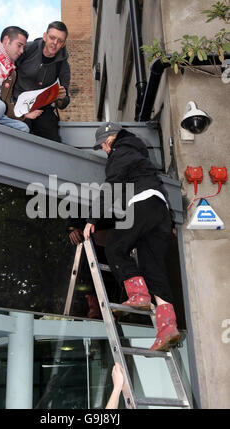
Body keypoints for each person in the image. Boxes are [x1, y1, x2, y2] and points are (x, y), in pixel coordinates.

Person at [83, 122, 181, 352]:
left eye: (104, 145)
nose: (105, 150)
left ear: (112, 138)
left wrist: (92, 219)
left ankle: (138, 295)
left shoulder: (121, 151)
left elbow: (112, 187)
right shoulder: (136, 152)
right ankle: (168, 327)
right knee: (153, 269)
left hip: (144, 204)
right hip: (160, 212)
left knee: (115, 247)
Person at [13, 21, 70, 142]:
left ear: (63, 44)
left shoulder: (63, 65)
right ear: (45, 36)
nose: (55, 43)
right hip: (17, 104)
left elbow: (64, 103)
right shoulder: (27, 49)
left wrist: (61, 98)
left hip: (43, 108)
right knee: (21, 134)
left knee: (53, 139)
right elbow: (9, 73)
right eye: (52, 38)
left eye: (59, 41)